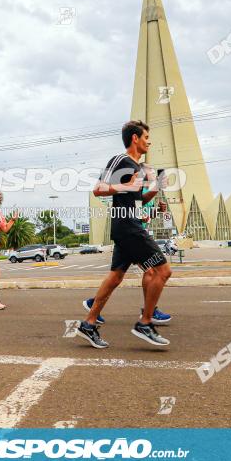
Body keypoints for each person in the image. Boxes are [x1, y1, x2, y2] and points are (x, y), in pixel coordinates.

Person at [76, 120, 172, 349]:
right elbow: (98, 189)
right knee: (161, 270)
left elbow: (140, 199)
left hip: (131, 225)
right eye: (146, 137)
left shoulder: (138, 168)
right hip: (127, 227)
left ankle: (88, 324)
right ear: (135, 138)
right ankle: (145, 322)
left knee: (116, 277)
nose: (149, 141)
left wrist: (157, 185)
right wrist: (124, 187)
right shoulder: (121, 161)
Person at [80, 176, 172, 326]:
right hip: (133, 236)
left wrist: (158, 211)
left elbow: (144, 216)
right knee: (151, 271)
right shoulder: (137, 190)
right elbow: (136, 215)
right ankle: (149, 312)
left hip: (130, 236)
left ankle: (93, 304)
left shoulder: (146, 192)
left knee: (116, 276)